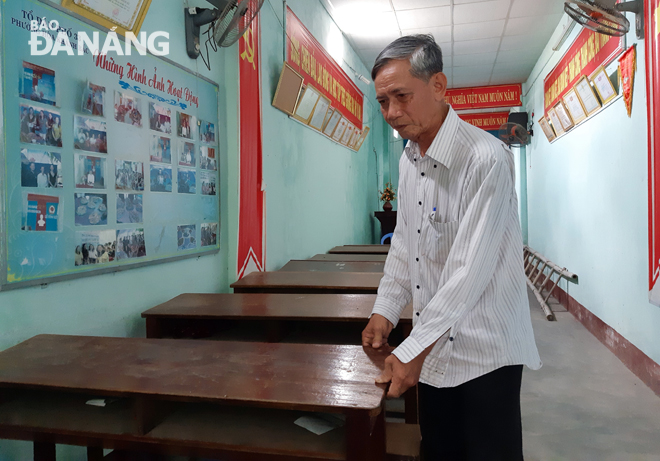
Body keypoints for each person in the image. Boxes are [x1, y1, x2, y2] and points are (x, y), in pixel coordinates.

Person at [361, 35, 541, 461]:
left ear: (438, 85)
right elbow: (405, 244)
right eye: (383, 102)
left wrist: (410, 350)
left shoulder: (486, 159)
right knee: (439, 449)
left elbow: (468, 272)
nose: (391, 113)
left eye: (401, 96)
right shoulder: (409, 160)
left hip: (485, 350)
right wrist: (384, 311)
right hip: (435, 346)